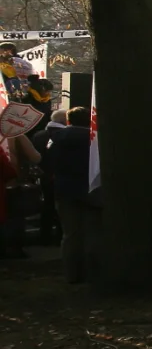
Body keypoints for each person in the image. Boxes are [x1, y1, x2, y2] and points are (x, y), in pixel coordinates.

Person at [45, 107, 97, 281]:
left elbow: (47, 162)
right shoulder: (93, 139)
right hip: (90, 188)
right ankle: (91, 272)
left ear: (68, 121)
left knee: (70, 234)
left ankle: (71, 273)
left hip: (64, 189)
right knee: (91, 231)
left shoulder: (55, 139)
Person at [34, 110, 67, 246]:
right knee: (61, 209)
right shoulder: (63, 135)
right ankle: (59, 236)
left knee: (47, 206)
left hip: (43, 175)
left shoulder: (39, 135)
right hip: (59, 176)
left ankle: (44, 236)